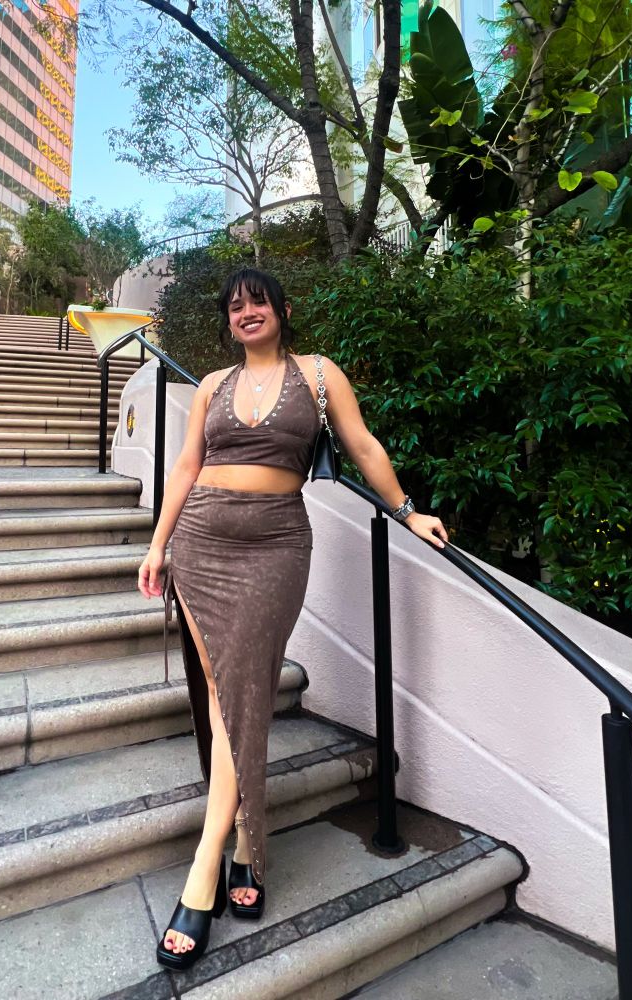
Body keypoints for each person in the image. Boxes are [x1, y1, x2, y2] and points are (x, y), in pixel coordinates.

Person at [139, 266, 448, 970]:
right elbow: (185, 468)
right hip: (202, 543)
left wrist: (404, 509)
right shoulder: (213, 386)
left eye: (257, 303)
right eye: (234, 308)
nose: (245, 313)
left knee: (242, 699)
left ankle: (204, 868)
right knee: (225, 700)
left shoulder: (316, 373)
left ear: (281, 308)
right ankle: (243, 848)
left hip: (276, 544)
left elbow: (362, 445)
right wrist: (157, 546)